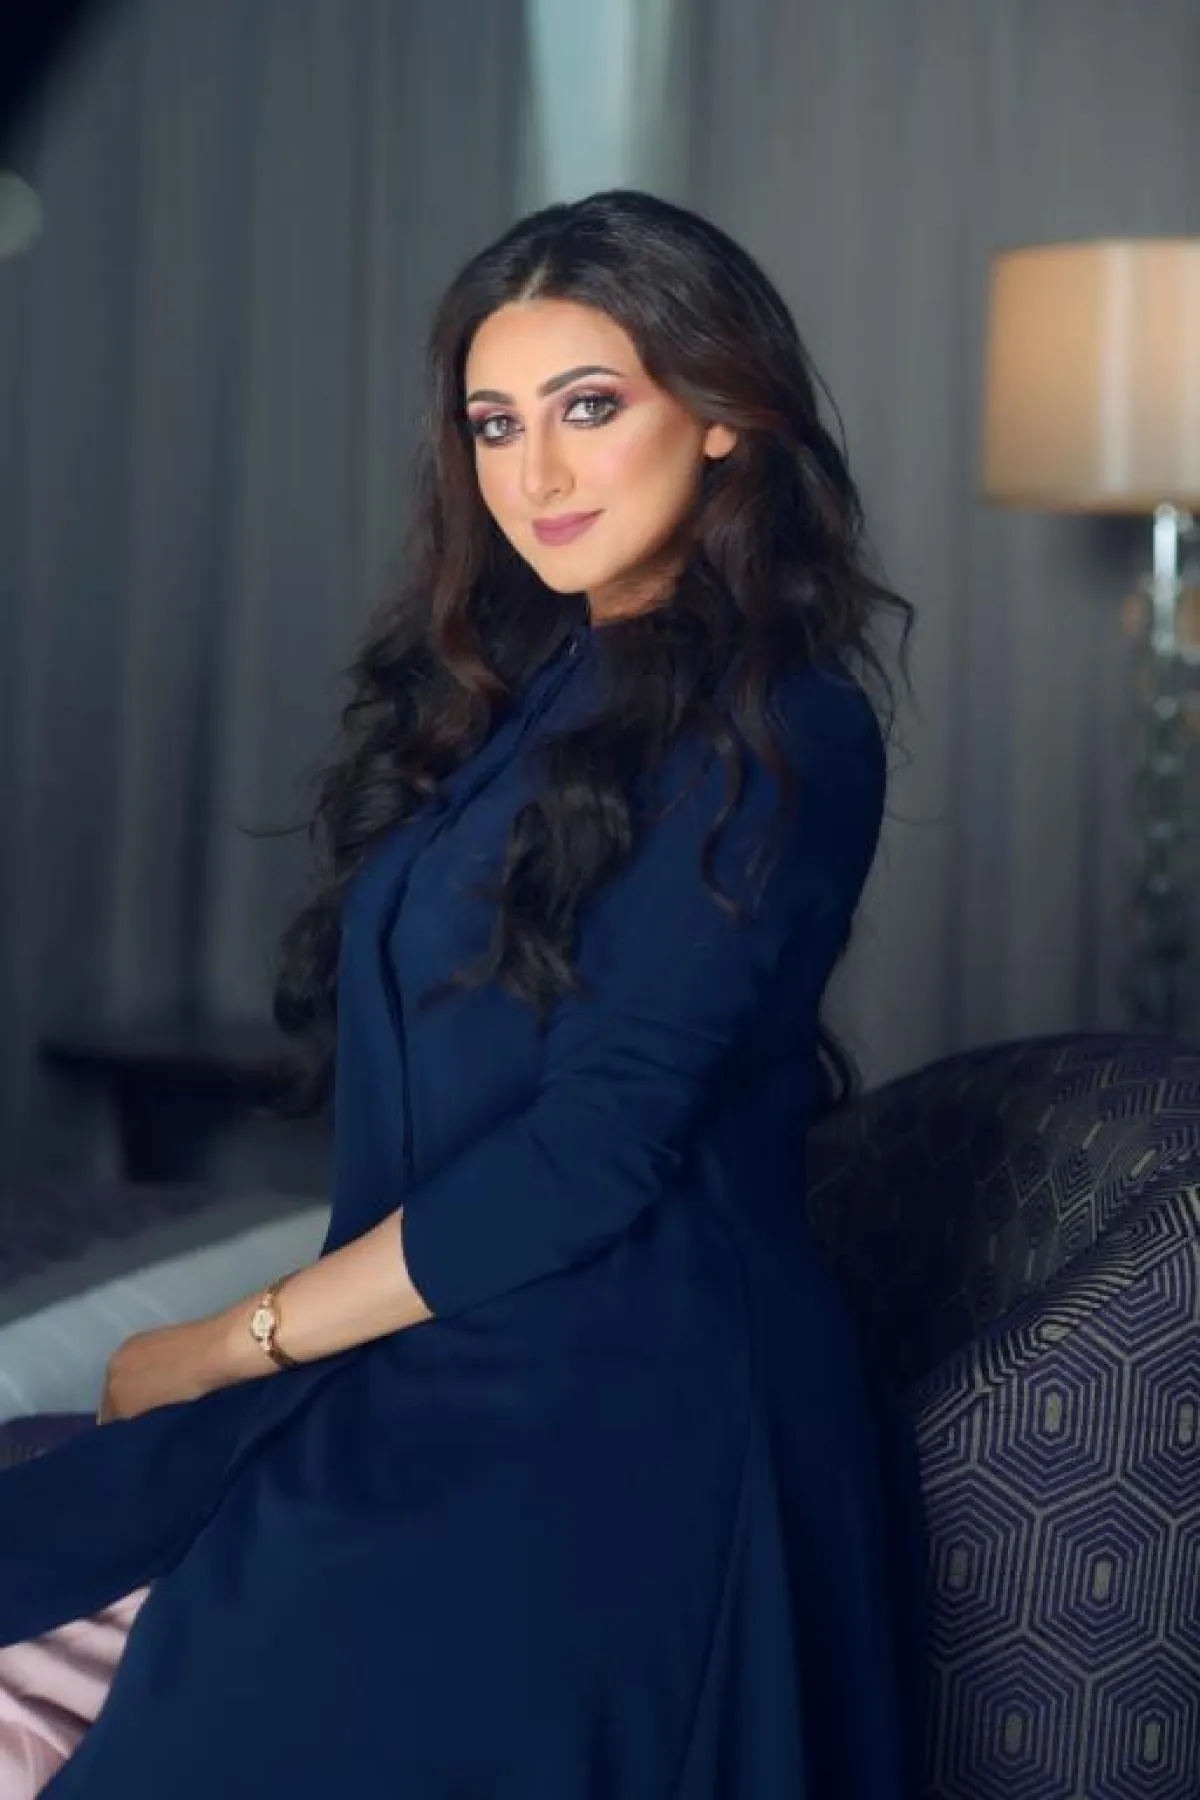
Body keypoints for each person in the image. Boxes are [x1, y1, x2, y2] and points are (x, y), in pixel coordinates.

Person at [0, 187, 928, 1797]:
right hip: (453, 1353)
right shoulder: (536, 686)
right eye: (496, 424)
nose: (535, 474)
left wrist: (231, 1342)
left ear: (721, 415)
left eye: (590, 407)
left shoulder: (785, 725)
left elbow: (590, 1154)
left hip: (613, 1413)